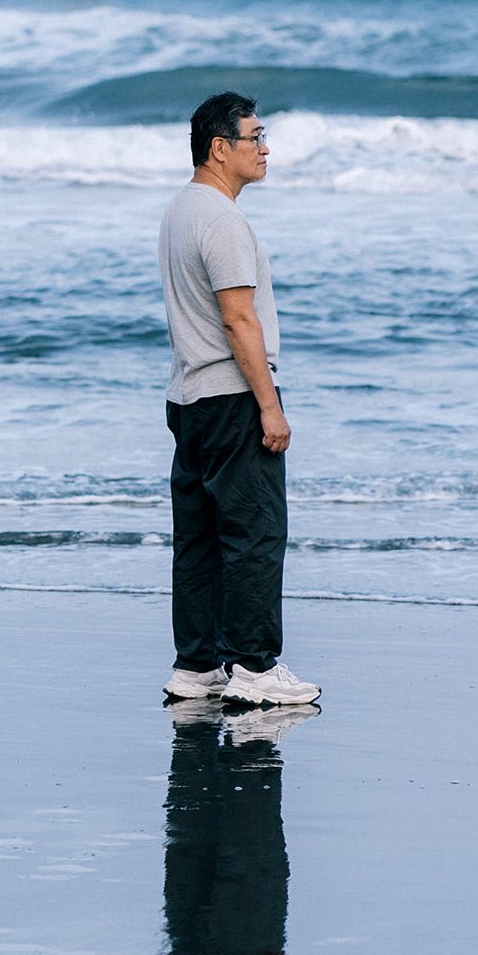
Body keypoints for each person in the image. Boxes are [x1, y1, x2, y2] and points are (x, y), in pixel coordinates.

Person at [158, 92, 320, 709]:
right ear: (220, 148)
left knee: (199, 537)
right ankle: (254, 667)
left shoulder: (181, 210)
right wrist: (269, 406)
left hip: (188, 396)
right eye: (255, 137)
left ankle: (197, 666)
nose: (265, 148)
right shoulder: (221, 219)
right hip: (229, 395)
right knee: (255, 533)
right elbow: (237, 318)